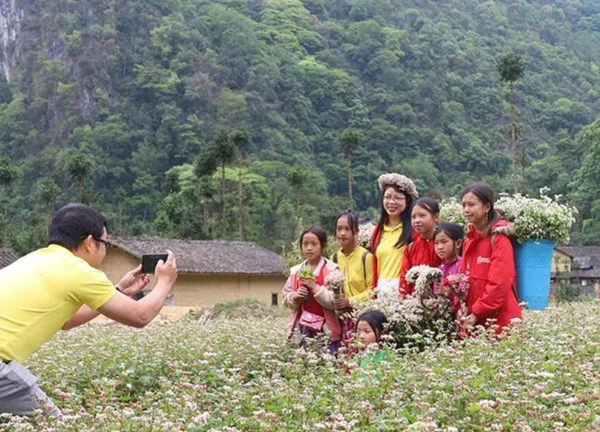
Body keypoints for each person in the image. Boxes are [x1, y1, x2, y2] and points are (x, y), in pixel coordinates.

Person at [0, 203, 178, 417]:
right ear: (88, 243)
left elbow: (66, 320)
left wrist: (119, 290)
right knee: (52, 424)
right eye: (105, 244)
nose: (105, 251)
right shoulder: (79, 271)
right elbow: (140, 316)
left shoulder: (33, 259)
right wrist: (165, 282)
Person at [460, 183, 522, 333]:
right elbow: (463, 278)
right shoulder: (469, 239)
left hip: (499, 320)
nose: (466, 210)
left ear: (487, 207)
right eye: (463, 205)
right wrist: (461, 305)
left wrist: (476, 312)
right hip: (474, 319)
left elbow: (499, 284)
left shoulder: (499, 239)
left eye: (471, 205)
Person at [282, 226, 341, 354]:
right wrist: (295, 297)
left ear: (323, 245)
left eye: (314, 244)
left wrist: (315, 287)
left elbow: (335, 302)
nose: (309, 248)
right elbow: (285, 298)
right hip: (302, 327)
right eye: (305, 244)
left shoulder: (331, 270)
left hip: (326, 328)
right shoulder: (296, 271)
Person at [370, 173, 417, 300]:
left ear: (407, 201)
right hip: (381, 292)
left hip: (403, 293)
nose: (391, 202)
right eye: (388, 197)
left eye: (397, 198)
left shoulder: (414, 231)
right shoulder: (378, 232)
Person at [399, 197, 441, 296]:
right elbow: (405, 279)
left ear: (436, 217)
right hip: (416, 300)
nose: (417, 220)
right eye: (413, 217)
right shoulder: (410, 248)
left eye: (422, 216)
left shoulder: (444, 243)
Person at [433, 222, 464, 311]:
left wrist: (447, 292)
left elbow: (466, 295)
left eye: (444, 242)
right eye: (436, 243)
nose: (440, 247)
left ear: (458, 243)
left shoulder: (463, 266)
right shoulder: (439, 269)